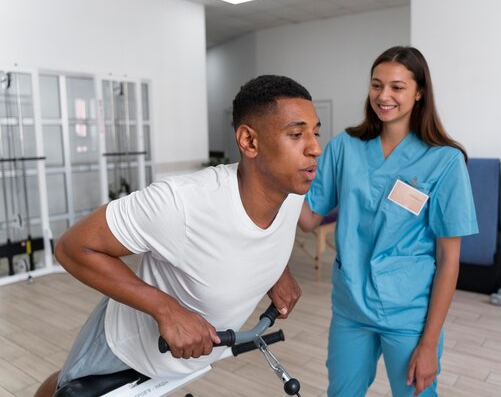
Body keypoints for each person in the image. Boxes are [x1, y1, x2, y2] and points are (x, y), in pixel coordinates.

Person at [35, 74, 322, 397]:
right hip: (127, 347)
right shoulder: (182, 203)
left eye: (315, 132)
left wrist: (275, 269)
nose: (315, 148)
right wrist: (167, 310)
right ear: (249, 141)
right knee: (64, 390)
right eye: (297, 134)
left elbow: (248, 236)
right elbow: (72, 247)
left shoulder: (292, 191)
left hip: (190, 359)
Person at [299, 46, 478, 397]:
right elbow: (308, 220)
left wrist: (428, 344)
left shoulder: (444, 161)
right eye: (376, 85)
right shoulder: (344, 147)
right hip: (351, 307)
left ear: (419, 91)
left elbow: (449, 261)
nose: (384, 96)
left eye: (397, 87)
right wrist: (273, 173)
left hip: (409, 313)